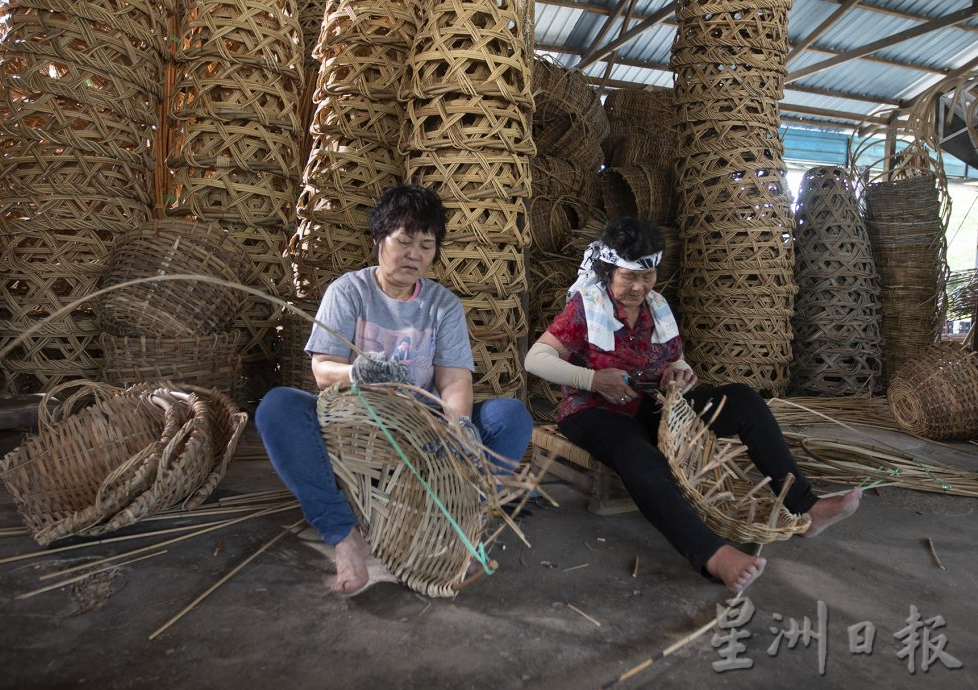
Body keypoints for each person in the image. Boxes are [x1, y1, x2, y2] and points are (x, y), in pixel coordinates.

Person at [524, 218, 861, 591]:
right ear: (608, 271)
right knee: (640, 457)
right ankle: (712, 555)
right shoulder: (585, 307)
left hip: (654, 405)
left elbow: (675, 358)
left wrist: (680, 374)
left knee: (745, 401)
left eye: (647, 275)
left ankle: (806, 507)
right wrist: (591, 380)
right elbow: (535, 359)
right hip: (593, 413)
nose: (639, 287)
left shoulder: (658, 307)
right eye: (628, 277)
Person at [256, 184, 533, 595]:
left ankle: (457, 519)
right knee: (277, 407)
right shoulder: (348, 292)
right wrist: (358, 374)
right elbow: (321, 370)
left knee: (511, 417)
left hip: (421, 436)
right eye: (403, 241)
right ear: (379, 241)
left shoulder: (443, 305)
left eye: (425, 245)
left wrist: (457, 427)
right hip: (353, 433)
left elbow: (454, 379)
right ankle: (343, 534)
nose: (414, 255)